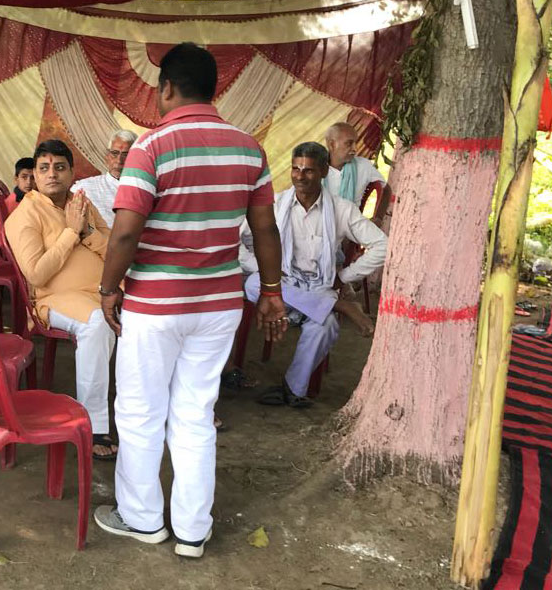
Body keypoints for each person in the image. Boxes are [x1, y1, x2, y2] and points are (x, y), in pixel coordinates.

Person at [92, 43, 287, 559]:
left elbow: (125, 233)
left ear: (167, 89)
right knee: (196, 412)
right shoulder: (249, 149)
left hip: (156, 306)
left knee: (140, 411)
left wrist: (109, 289)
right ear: (212, 89)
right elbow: (266, 229)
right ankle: (193, 532)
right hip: (219, 306)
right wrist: (271, 291)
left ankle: (142, 519)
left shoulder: (152, 146)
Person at [240, 142, 387, 408]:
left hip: (318, 287)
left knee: (326, 325)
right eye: (295, 169)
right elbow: (235, 238)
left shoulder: (341, 209)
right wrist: (264, 267)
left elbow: (382, 245)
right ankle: (339, 306)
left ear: (323, 172)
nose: (300, 176)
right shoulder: (276, 204)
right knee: (252, 283)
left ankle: (292, 388)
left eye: (308, 170)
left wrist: (345, 277)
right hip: (281, 285)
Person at [4, 139, 117, 460]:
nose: (52, 174)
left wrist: (85, 233)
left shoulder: (80, 203)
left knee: (153, 311)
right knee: (97, 323)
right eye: (44, 168)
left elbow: (112, 249)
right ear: (36, 176)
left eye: (59, 167)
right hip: (55, 299)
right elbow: (37, 274)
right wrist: (70, 233)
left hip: (101, 290)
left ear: (72, 173)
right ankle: (93, 424)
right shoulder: (25, 215)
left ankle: (149, 405)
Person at [324, 122, 389, 223]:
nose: (355, 148)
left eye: (355, 143)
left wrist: (378, 218)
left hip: (351, 225)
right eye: (349, 143)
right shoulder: (315, 170)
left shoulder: (363, 165)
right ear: (332, 145)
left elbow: (386, 190)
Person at [70, 129, 137, 227]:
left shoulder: (147, 190)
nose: (119, 160)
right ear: (107, 156)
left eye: (126, 154)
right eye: (115, 153)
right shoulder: (84, 187)